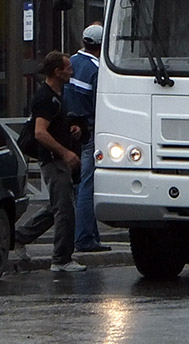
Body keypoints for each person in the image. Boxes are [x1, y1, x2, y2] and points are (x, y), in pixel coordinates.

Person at [13, 51, 86, 272]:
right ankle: (61, 259)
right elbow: (40, 133)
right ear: (57, 71)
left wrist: (71, 130)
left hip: (56, 159)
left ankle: (17, 238)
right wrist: (65, 152)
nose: (71, 72)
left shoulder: (56, 95)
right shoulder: (45, 98)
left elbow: (52, 127)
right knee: (65, 210)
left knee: (56, 206)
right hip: (53, 160)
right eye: (68, 68)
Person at [65, 24, 109, 253]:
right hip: (89, 130)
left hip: (69, 131)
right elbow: (99, 104)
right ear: (102, 45)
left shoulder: (70, 62)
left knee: (77, 185)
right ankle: (84, 238)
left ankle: (91, 235)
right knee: (87, 185)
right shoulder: (97, 69)